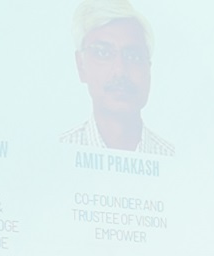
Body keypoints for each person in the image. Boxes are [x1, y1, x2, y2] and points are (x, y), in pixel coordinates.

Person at [59, 0, 172, 155]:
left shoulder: (174, 159)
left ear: (149, 68)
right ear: (81, 65)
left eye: (133, 56)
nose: (120, 70)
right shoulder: (59, 152)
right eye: (103, 53)